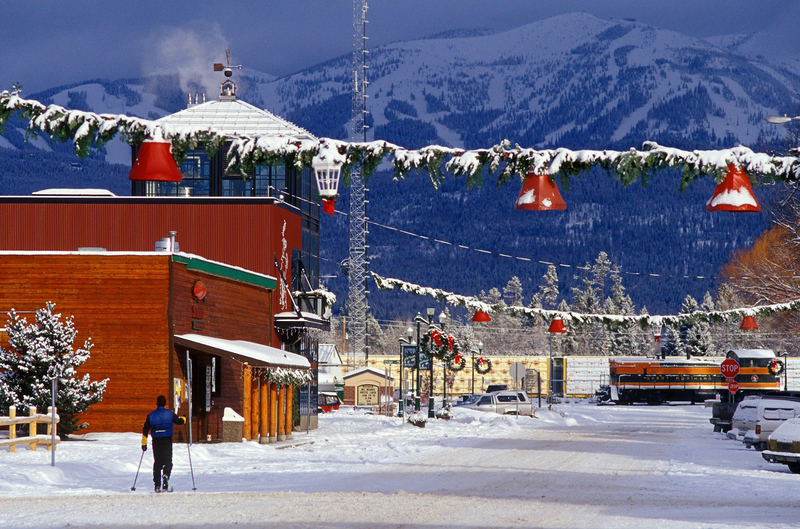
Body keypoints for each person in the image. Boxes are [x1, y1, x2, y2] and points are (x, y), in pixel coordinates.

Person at [142, 395, 186, 492]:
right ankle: (166, 476)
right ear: (165, 403)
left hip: (156, 441)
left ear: (157, 403)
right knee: (168, 461)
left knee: (157, 462)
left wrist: (144, 444)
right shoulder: (170, 413)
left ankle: (157, 484)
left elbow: (145, 429)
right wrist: (185, 418)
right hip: (167, 440)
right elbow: (179, 421)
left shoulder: (151, 415)